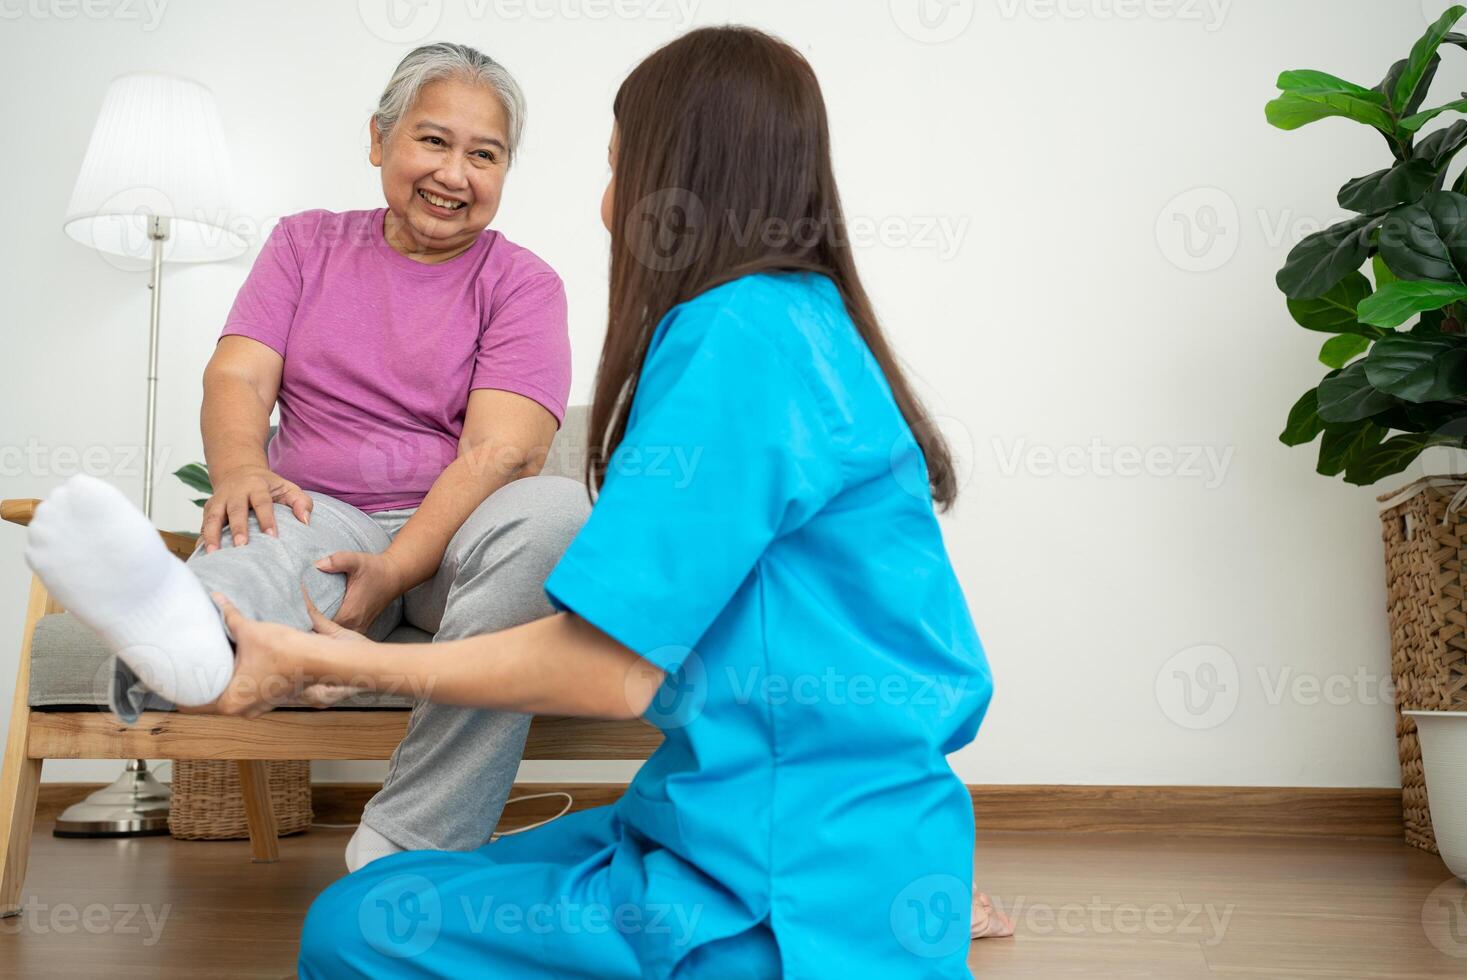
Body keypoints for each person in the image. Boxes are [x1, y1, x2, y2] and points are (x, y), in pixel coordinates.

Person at [194, 25, 999, 977]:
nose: (609, 206)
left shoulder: (734, 339)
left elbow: (609, 671)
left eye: (619, 170)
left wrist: (360, 661)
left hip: (779, 878)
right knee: (433, 883)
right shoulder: (800, 320)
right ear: (381, 139)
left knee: (352, 926)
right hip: (782, 817)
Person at [22, 41, 583, 874]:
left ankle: (409, 838)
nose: (454, 173)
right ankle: (186, 629)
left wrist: (393, 569)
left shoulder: (524, 282)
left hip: (456, 545)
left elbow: (502, 451)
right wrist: (243, 470)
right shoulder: (304, 245)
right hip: (321, 514)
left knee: (557, 511)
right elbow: (239, 374)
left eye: (484, 154)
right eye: (433, 141)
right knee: (260, 545)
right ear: (378, 140)